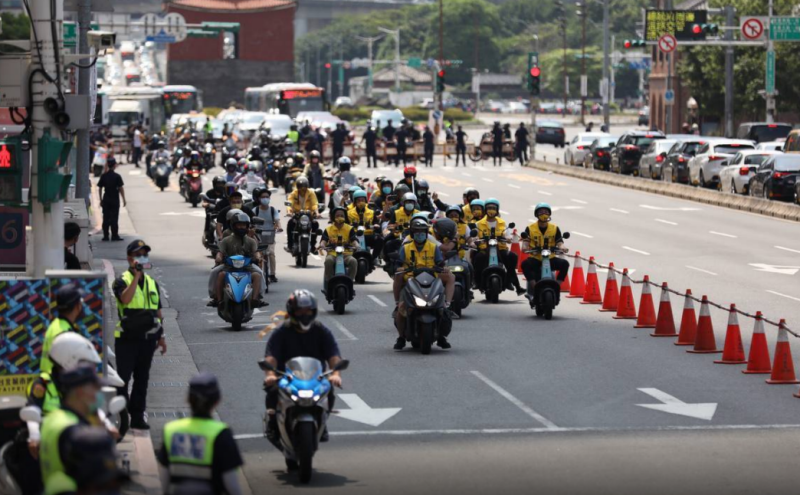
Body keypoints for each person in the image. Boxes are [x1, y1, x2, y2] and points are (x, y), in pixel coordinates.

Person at [263, 290, 343, 443]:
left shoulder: (321, 330)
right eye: (300, 311)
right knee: (272, 390)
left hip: (315, 376)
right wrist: (270, 375)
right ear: (292, 311)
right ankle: (273, 424)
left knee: (329, 389)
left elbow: (334, 356)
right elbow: (271, 357)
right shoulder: (282, 331)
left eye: (308, 311)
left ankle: (322, 420)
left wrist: (336, 374)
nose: (304, 314)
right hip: (286, 376)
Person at [39, 363, 119, 495]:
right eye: (96, 388)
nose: (99, 393)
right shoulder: (78, 434)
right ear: (81, 391)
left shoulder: (53, 419)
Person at [158, 373, 244, 495]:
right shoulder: (221, 433)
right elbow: (232, 484)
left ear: (188, 399)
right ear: (217, 401)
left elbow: (164, 479)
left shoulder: (171, 430)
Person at [114, 239, 167, 431]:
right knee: (122, 379)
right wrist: (136, 277)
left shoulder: (152, 283)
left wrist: (162, 337)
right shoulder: (121, 281)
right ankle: (122, 417)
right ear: (129, 259)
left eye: (144, 255)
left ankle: (137, 417)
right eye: (138, 255)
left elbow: (158, 312)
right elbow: (125, 299)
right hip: (127, 339)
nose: (141, 258)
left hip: (148, 338)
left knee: (142, 379)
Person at [393, 216, 455, 350]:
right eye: (417, 232)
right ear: (412, 234)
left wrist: (443, 267)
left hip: (431, 277)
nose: (420, 235)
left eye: (422, 232)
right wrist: (400, 268)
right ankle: (400, 337)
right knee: (401, 309)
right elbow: (398, 263)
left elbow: (440, 262)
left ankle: (446, 314)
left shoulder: (433, 247)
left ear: (426, 234)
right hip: (411, 279)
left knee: (442, 305)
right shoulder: (406, 248)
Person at [210, 211, 267, 308]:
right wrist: (219, 257)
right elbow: (220, 251)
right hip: (229, 266)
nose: (241, 228)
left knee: (258, 274)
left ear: (247, 226)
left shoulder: (251, 241)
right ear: (233, 226)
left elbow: (255, 251)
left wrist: (258, 257)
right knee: (216, 273)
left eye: (243, 225)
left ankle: (256, 298)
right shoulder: (226, 240)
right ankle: (217, 299)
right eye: (239, 225)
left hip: (247, 267)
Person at [471, 198, 525, 295]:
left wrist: (508, 238)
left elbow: (507, 233)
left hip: (500, 249)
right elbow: (474, 237)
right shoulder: (478, 224)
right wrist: (475, 241)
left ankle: (513, 283)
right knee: (478, 258)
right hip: (485, 249)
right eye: (489, 208)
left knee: (512, 257)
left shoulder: (502, 223)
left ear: (497, 210)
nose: (491, 210)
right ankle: (476, 282)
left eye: (493, 208)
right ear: (485, 210)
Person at [520, 203, 570, 286]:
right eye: (541, 212)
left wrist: (563, 248)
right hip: (536, 258)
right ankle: (534, 286)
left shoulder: (555, 228)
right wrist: (525, 248)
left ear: (549, 214)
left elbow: (559, 242)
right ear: (536, 214)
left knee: (565, 264)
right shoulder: (530, 228)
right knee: (525, 264)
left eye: (546, 212)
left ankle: (557, 285)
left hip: (550, 258)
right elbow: (525, 242)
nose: (544, 214)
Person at [319, 207, 358, 287]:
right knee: (328, 261)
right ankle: (329, 282)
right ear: (333, 217)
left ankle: (350, 282)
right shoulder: (328, 229)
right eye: (337, 216)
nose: (339, 217)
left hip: (346, 254)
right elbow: (324, 240)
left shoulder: (349, 228)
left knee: (353, 261)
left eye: (342, 215)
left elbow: (354, 240)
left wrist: (357, 245)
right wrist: (322, 245)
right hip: (333, 254)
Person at [253, 188, 282, 284]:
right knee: (257, 255)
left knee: (271, 253)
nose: (265, 198)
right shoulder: (255, 210)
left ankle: (272, 274)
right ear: (259, 199)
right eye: (263, 197)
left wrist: (279, 227)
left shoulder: (273, 210)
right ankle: (257, 272)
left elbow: (277, 220)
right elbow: (251, 222)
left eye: (267, 197)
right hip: (257, 236)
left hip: (270, 236)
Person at [285, 176, 320, 253]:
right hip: (297, 214)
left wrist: (317, 212)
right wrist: (289, 211)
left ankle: (313, 246)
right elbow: (290, 203)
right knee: (290, 224)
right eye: (300, 187)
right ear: (297, 187)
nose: (302, 189)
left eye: (304, 187)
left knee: (315, 224)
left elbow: (314, 203)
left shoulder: (311, 193)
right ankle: (290, 245)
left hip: (309, 215)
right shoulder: (294, 193)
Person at [348, 190, 383, 262]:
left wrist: (376, 225)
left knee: (380, 239)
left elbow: (377, 224)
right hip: (354, 237)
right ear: (355, 201)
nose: (361, 202)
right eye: (358, 200)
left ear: (366, 201)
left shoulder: (371, 212)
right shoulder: (349, 213)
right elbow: (345, 225)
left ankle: (373, 258)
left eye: (362, 200)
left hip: (368, 236)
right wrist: (350, 225)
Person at [97, 157, 126, 241]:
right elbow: (121, 188)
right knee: (114, 218)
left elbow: (100, 188)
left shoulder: (104, 176)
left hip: (106, 199)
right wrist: (124, 199)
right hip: (115, 200)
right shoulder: (117, 176)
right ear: (114, 165)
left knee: (106, 218)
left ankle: (105, 236)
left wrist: (101, 199)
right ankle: (114, 235)